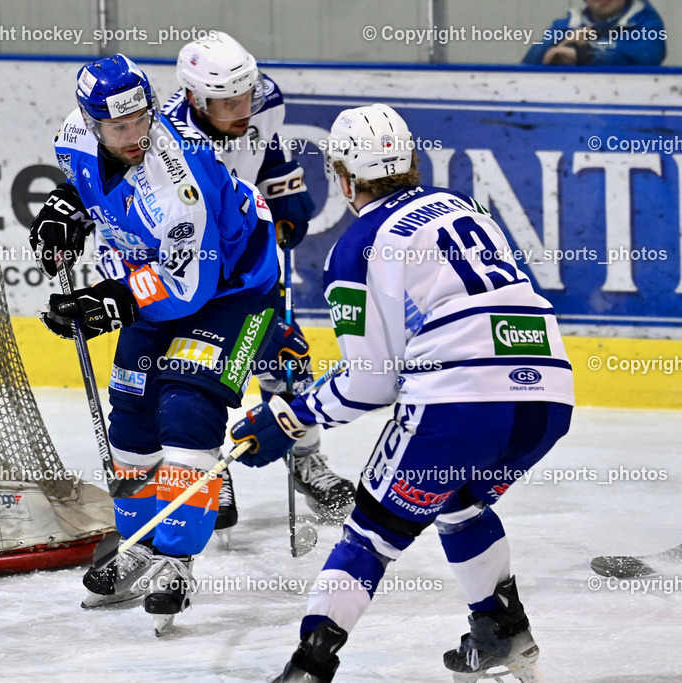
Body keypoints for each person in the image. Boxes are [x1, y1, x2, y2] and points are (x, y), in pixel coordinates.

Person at [229, 104, 575, 681]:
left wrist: (289, 415)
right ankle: (501, 630)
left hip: (459, 402)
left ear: (342, 179)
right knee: (458, 500)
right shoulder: (467, 207)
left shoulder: (356, 247)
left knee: (370, 533)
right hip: (548, 395)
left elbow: (370, 383)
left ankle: (307, 668)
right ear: (412, 160)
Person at [30, 53, 279, 632]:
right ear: (92, 123)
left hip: (234, 289)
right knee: (134, 418)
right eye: (119, 128)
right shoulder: (73, 135)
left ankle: (178, 558)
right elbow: (85, 181)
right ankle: (139, 541)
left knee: (186, 407)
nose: (136, 135)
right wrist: (69, 207)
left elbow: (190, 288)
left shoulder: (177, 181)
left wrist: (111, 300)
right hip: (156, 280)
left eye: (142, 119)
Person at [163, 31, 355, 531]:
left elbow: (264, 150)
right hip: (188, 268)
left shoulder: (263, 97)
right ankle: (203, 468)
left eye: (244, 95)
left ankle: (305, 459)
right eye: (227, 103)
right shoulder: (169, 143)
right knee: (197, 371)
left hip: (249, 257)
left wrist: (283, 188)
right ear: (194, 98)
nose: (241, 109)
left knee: (285, 356)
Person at [523, 0, 666, 66]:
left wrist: (588, 52)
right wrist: (559, 46)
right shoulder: (567, 25)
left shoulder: (646, 22)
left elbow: (648, 55)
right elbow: (528, 63)